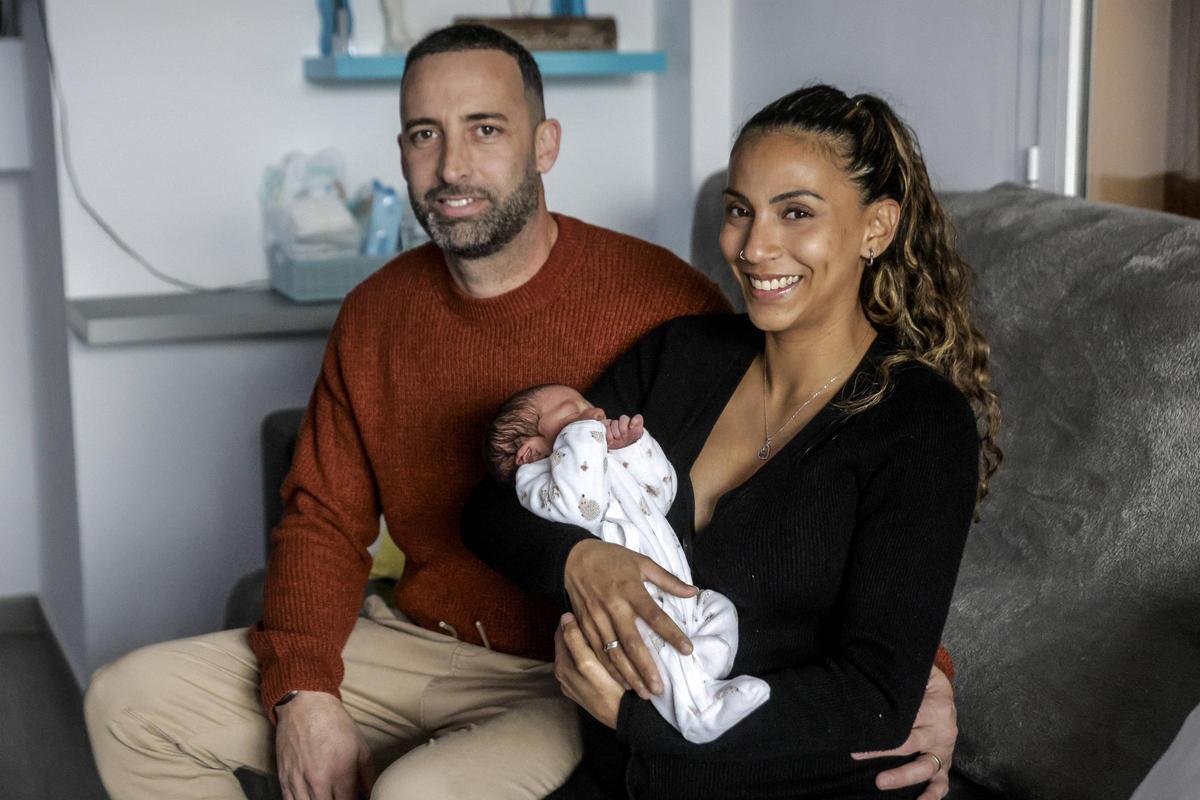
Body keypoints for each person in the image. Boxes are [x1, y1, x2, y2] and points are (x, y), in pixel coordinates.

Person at [82, 23, 957, 799]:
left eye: (485, 130)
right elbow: (323, 519)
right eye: (426, 134)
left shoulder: (665, 303)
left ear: (545, 144)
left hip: (560, 669)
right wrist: (304, 690)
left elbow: (816, 535)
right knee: (125, 704)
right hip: (410, 636)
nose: (453, 166)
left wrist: (926, 670)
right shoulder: (380, 315)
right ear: (400, 152)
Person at [463, 84, 1002, 799]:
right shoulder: (680, 358)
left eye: (796, 213)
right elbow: (489, 510)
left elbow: (872, 692)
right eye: (740, 210)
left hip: (789, 787)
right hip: (621, 774)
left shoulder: (920, 424)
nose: (752, 247)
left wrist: (635, 719)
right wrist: (580, 560)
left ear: (876, 228)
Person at [486, 384, 770, 744]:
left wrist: (632, 449)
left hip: (676, 585)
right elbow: (581, 506)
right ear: (530, 452)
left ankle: (701, 674)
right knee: (661, 640)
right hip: (629, 602)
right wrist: (584, 434)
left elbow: (663, 494)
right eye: (571, 411)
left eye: (588, 405)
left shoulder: (598, 458)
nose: (592, 412)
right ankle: (697, 712)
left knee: (718, 609)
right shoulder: (537, 481)